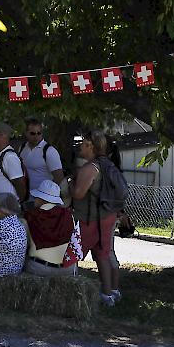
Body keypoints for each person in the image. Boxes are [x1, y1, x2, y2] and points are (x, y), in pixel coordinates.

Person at [70, 130, 121, 307]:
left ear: (90, 146)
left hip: (89, 219)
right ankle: (108, 296)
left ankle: (71, 294)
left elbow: (78, 194)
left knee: (73, 254)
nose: (80, 146)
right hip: (107, 216)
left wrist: (70, 183)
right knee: (103, 255)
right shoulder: (108, 165)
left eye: (83, 143)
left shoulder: (90, 168)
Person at [23, 180, 76, 276]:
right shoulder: (68, 215)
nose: (34, 199)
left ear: (42, 198)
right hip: (66, 269)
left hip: (39, 268)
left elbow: (23, 244)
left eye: (36, 197)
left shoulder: (30, 216)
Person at [0, 122, 27, 215]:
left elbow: (19, 183)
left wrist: (15, 203)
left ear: (2, 134)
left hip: (7, 210)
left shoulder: (9, 157)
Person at [19, 118, 65, 190]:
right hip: (26, 196)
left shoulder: (49, 151)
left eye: (39, 133)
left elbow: (60, 179)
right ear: (26, 133)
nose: (36, 136)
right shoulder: (22, 148)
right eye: (32, 133)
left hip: (43, 197)